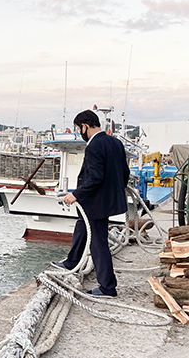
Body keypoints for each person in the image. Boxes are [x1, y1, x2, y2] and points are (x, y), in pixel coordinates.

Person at [54, 109, 130, 297]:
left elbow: (95, 177)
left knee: (98, 242)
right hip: (106, 200)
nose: (80, 132)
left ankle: (107, 287)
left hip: (96, 202)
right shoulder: (116, 143)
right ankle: (72, 261)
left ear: (85, 126)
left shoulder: (94, 146)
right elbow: (125, 173)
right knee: (82, 226)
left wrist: (76, 194)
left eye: (79, 128)